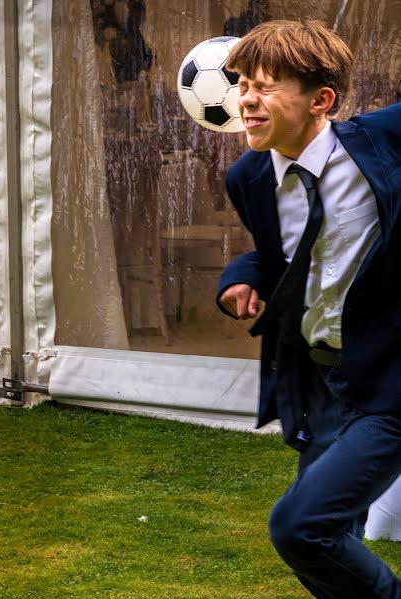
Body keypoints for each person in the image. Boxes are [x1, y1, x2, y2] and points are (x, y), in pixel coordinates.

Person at [216, 19, 401, 596]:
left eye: (266, 86)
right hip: (321, 384)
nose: (247, 100)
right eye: (242, 84)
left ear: (321, 100)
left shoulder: (384, 143)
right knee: (324, 545)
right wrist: (240, 277)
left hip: (390, 384)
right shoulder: (247, 177)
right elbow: (287, 256)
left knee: (300, 528)